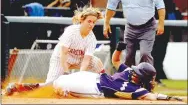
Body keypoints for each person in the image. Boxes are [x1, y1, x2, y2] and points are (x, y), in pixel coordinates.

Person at [3, 42, 185, 103]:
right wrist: (169, 98)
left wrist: (120, 51)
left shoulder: (132, 81)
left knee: (58, 84)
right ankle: (32, 88)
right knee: (61, 84)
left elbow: (115, 61)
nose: (134, 72)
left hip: (93, 83)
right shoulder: (133, 84)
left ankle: (21, 87)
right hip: (93, 82)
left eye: (137, 72)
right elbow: (115, 61)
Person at [4, 4, 104, 96]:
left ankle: (107, 86)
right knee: (50, 85)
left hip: (78, 59)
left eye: (94, 22)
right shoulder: (71, 31)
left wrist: (79, 76)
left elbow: (86, 60)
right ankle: (18, 87)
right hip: (60, 58)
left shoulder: (92, 39)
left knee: (96, 62)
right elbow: (63, 53)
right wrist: (66, 73)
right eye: (89, 21)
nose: (91, 24)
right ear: (82, 20)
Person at [103, 0, 166, 67]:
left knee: (145, 54)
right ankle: (129, 78)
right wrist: (106, 23)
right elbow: (111, 5)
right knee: (129, 56)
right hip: (130, 26)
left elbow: (160, 5)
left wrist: (161, 23)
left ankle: (147, 78)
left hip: (148, 26)